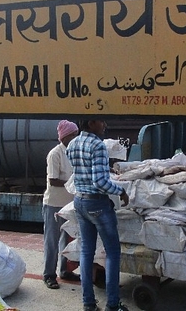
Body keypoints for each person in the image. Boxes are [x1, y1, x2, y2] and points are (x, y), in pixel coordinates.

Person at [66, 119, 130, 311]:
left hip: (80, 201)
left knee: (87, 252)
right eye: (101, 121)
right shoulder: (97, 145)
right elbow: (100, 182)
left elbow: (79, 172)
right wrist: (121, 191)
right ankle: (112, 304)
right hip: (97, 203)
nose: (104, 125)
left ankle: (89, 303)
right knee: (112, 252)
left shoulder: (72, 143)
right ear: (91, 122)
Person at [42, 120, 81, 289]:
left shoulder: (74, 153)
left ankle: (65, 270)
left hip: (70, 204)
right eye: (73, 135)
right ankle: (49, 275)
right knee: (52, 240)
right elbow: (53, 180)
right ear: (65, 137)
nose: (75, 137)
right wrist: (73, 183)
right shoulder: (55, 154)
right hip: (54, 204)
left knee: (68, 238)